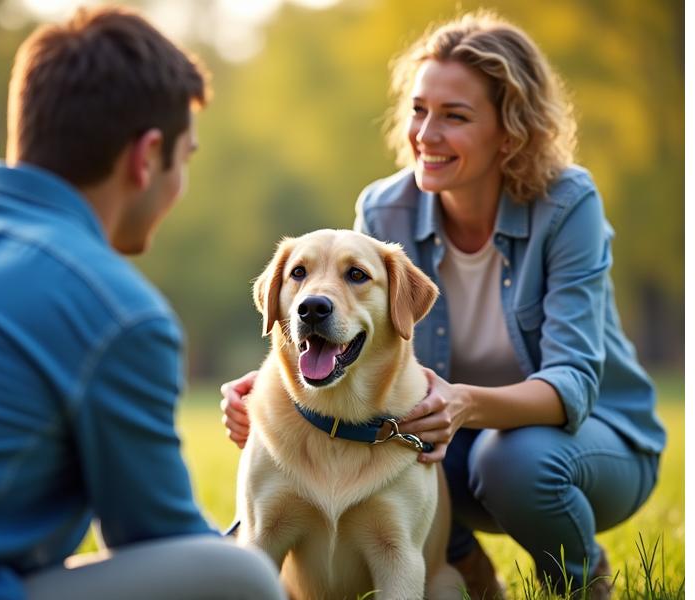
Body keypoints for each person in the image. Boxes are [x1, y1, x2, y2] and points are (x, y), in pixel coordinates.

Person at [220, 10, 665, 600]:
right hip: (452, 436)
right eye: (419, 110)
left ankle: (581, 582)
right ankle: (469, 572)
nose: (425, 134)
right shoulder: (384, 210)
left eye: (454, 116)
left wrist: (459, 405)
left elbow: (575, 384)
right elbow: (352, 329)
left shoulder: (566, 204)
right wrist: (282, 389)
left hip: (590, 441)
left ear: (511, 131)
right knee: (400, 454)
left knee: (512, 459)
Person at [0, 7, 285, 600]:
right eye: (184, 160)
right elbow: (158, 538)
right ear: (146, 157)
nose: (179, 184)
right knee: (238, 579)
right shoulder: (117, 312)